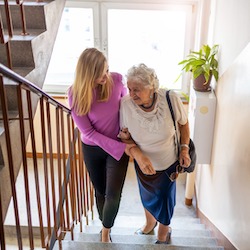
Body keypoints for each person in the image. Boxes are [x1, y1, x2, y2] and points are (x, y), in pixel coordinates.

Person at [68, 48, 135, 243]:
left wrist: (126, 137)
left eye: (107, 69)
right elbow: (88, 132)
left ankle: (106, 232)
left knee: (113, 194)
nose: (106, 75)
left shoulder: (116, 80)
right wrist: (121, 148)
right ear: (88, 74)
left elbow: (127, 106)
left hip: (118, 146)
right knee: (100, 191)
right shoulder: (75, 94)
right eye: (101, 73)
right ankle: (104, 223)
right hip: (93, 148)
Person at [119, 63, 191, 244]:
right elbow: (125, 138)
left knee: (165, 199)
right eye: (129, 88)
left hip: (169, 163)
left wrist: (184, 148)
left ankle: (163, 234)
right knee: (148, 196)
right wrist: (137, 155)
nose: (131, 94)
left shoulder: (169, 98)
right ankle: (149, 224)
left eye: (137, 89)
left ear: (151, 88)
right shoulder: (126, 104)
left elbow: (183, 124)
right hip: (143, 163)